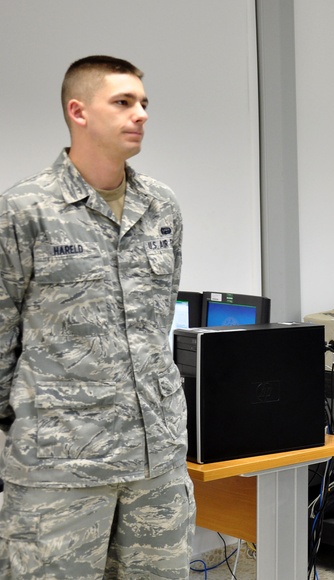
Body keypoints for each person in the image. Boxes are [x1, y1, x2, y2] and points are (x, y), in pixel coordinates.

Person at [0, 55, 194, 577]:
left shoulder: (162, 207)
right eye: (123, 102)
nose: (141, 115)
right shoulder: (25, 210)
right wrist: (24, 423)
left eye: (144, 103)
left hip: (155, 459)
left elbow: (158, 324)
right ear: (78, 111)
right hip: (59, 467)